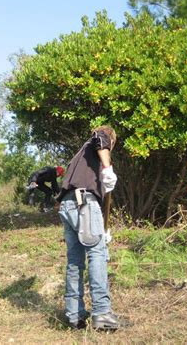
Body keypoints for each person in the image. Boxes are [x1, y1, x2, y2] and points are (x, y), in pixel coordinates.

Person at [57, 126, 119, 330]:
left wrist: (102, 229)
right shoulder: (99, 141)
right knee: (97, 254)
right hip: (83, 203)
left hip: (68, 205)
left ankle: (75, 315)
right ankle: (102, 313)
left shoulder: (81, 156)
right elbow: (100, 137)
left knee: (75, 261)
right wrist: (108, 169)